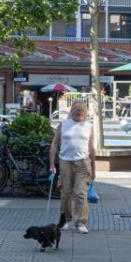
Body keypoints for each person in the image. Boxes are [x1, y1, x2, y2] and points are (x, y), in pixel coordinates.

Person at [49, 98, 94, 234]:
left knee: (81, 193)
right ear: (72, 111)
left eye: (81, 110)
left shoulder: (89, 126)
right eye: (76, 110)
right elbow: (54, 144)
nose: (79, 112)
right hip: (65, 161)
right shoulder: (63, 124)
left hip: (83, 162)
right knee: (66, 193)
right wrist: (52, 164)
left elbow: (91, 148)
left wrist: (94, 168)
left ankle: (81, 222)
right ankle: (66, 219)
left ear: (85, 112)